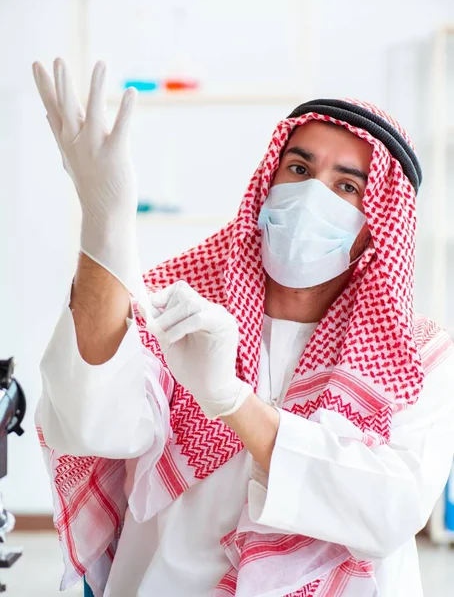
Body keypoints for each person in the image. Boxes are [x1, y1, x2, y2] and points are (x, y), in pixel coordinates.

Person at [33, 58, 454, 597]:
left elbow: (387, 511)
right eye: (299, 170)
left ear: (380, 226)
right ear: (269, 183)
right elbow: (89, 422)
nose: (313, 197)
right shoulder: (177, 306)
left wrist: (232, 400)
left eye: (348, 186)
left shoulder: (416, 357)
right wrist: (102, 224)